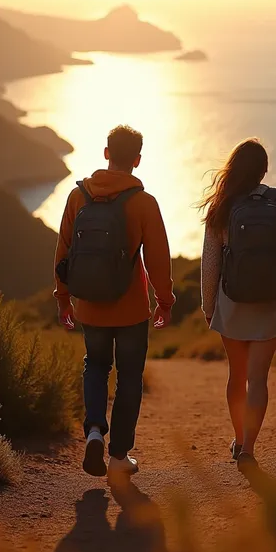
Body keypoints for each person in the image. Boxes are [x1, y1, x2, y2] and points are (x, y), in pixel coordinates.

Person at [54, 125, 175, 479]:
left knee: (95, 365)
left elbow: (63, 251)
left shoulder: (79, 197)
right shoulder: (143, 202)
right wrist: (164, 302)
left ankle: (94, 430)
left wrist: (63, 299)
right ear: (137, 159)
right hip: (132, 307)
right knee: (129, 376)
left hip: (89, 304)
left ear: (106, 153)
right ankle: (119, 456)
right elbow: (158, 260)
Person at [199, 138, 276, 472]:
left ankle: (237, 438)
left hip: (231, 305)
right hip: (270, 306)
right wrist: (272, 270)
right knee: (258, 380)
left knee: (238, 376)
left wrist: (208, 307)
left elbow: (210, 267)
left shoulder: (222, 207)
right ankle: (248, 447)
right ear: (264, 170)